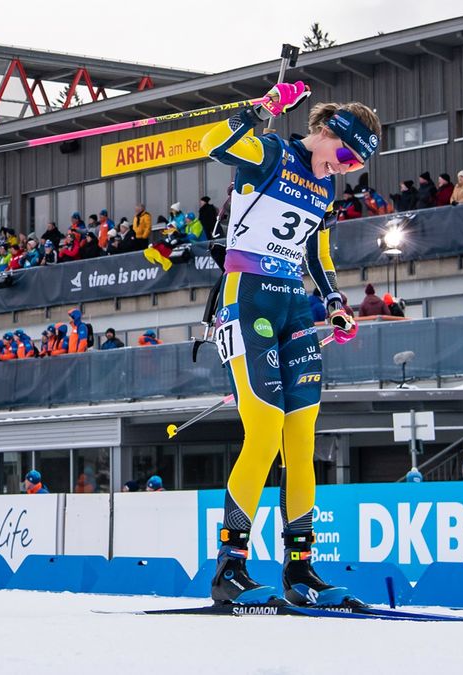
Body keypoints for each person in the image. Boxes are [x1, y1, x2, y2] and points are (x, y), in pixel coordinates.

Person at [199, 80, 376, 607]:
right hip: (246, 297)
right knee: (264, 430)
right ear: (323, 132)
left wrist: (336, 303)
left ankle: (300, 573)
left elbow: (316, 253)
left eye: (353, 165)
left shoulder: (326, 189)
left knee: (301, 441)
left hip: (293, 303)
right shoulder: (271, 151)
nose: (343, 167)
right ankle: (230, 569)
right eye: (343, 153)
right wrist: (264, 108)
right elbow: (216, 142)